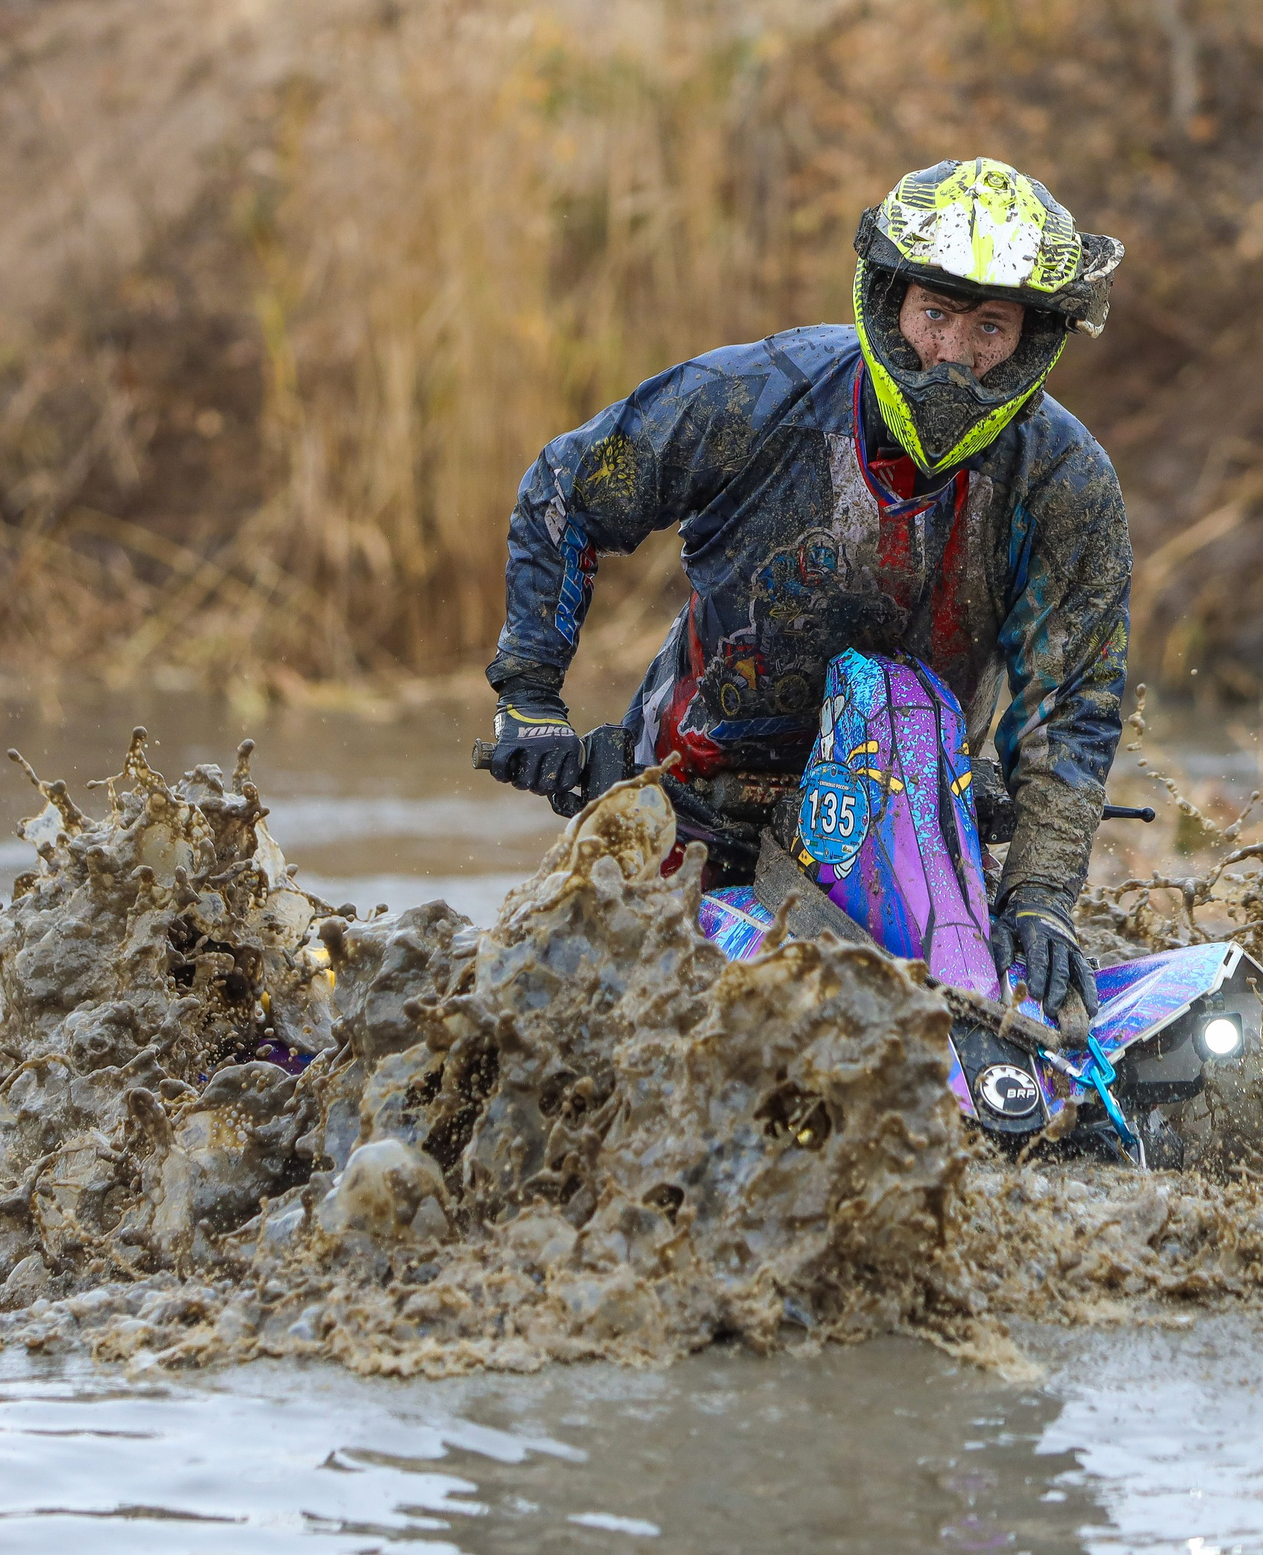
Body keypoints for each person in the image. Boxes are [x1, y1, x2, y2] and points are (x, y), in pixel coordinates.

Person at [484, 157, 1130, 1020]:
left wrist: (1041, 898)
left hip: (911, 836)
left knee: (984, 1033)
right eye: (936, 314)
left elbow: (1073, 703)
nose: (954, 356)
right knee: (555, 1025)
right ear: (891, 302)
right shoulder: (754, 397)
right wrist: (529, 699)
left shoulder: (1066, 482)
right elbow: (565, 489)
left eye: (990, 327)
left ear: (1032, 339)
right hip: (684, 811)